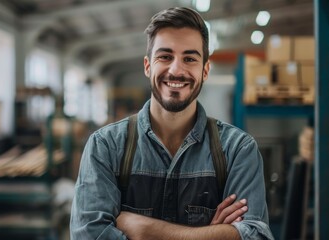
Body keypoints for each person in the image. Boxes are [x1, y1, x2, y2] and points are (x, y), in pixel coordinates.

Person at [70, 6, 274, 240]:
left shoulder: (237, 150)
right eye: (165, 56)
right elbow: (89, 235)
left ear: (205, 70)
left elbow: (255, 236)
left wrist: (143, 229)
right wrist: (213, 233)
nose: (176, 70)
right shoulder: (106, 147)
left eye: (189, 58)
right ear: (148, 66)